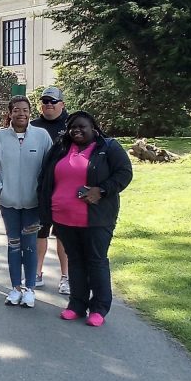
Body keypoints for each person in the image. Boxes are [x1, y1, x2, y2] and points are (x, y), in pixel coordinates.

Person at [38, 110, 133, 326]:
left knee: (96, 261)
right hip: (64, 218)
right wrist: (46, 211)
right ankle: (77, 305)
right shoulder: (61, 148)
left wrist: (101, 190)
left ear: (93, 128)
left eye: (82, 127)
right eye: (73, 127)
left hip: (96, 219)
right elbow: (45, 178)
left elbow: (124, 173)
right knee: (76, 261)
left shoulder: (108, 148)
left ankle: (99, 308)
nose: (77, 130)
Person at [0, 96, 51, 307]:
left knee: (29, 245)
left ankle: (30, 288)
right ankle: (15, 288)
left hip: (33, 203)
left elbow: (50, 167)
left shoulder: (41, 136)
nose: (21, 113)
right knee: (13, 245)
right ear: (10, 113)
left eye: (25, 110)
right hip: (9, 202)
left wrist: (44, 193)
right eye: (17, 110)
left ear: (30, 112)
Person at [30, 86, 70, 294]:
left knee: (63, 233)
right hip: (41, 189)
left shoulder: (73, 125)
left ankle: (66, 277)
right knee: (40, 232)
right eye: (44, 101)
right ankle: (36, 273)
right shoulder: (33, 126)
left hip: (66, 190)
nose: (48, 105)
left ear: (62, 104)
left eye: (52, 101)